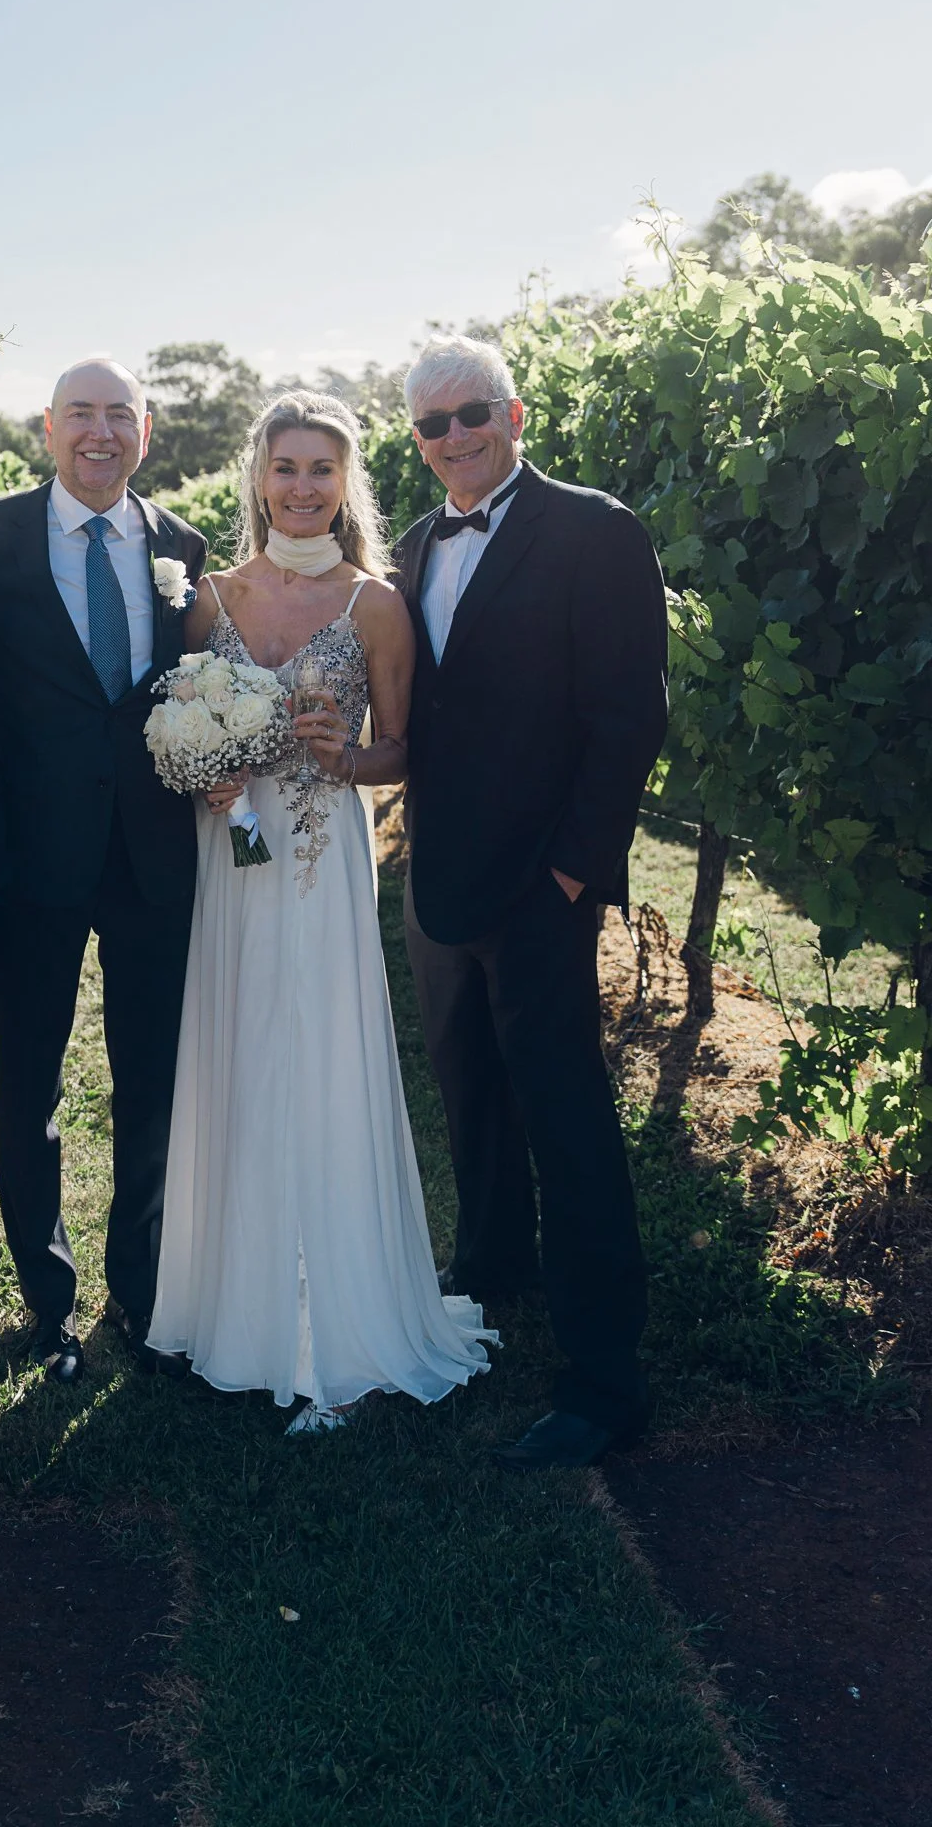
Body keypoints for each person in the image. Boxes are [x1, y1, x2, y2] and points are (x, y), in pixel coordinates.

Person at [147, 391, 497, 1432]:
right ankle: (238, 1304)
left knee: (322, 1053)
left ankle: (337, 1312)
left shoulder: (374, 604)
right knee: (243, 1051)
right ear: (258, 478)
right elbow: (182, 718)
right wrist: (204, 773)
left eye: (322, 469)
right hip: (234, 854)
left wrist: (348, 759)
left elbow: (404, 749)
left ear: (347, 484)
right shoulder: (209, 600)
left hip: (320, 854)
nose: (303, 488)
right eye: (286, 467)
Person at [393, 334, 668, 1473]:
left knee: (567, 1116)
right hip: (440, 879)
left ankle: (604, 1382)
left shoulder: (597, 530)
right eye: (433, 424)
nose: (455, 435)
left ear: (513, 414)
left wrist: (573, 872)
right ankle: (491, 1272)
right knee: (469, 1091)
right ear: (418, 442)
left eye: (473, 413)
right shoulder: (415, 544)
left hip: (541, 884)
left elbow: (630, 716)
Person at [0, 358, 208, 1382]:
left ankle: (141, 1292)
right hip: (32, 855)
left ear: (146, 431)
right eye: (80, 414)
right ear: (47, 427)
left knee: (153, 1081)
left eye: (119, 415)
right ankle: (49, 1303)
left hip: (155, 854)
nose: (99, 433)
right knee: (31, 1081)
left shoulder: (184, 546)